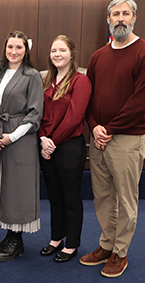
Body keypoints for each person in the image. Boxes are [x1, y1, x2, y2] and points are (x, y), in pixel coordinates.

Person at [79, 0, 145, 278]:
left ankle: (120, 252)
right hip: (99, 136)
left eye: (126, 13)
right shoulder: (98, 56)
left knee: (125, 199)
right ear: (108, 20)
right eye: (116, 14)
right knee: (102, 196)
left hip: (126, 138)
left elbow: (139, 102)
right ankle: (106, 244)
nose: (121, 18)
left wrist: (108, 129)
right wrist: (94, 127)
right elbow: (87, 97)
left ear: (134, 18)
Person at [0, 30, 44, 262]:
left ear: (26, 50)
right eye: (10, 47)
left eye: (19, 47)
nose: (14, 52)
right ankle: (10, 234)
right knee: (3, 185)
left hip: (21, 139)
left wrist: (13, 136)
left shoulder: (32, 76)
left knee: (19, 188)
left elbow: (35, 114)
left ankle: (17, 239)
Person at [38, 35, 91, 263]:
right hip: (46, 145)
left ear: (72, 54)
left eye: (62, 50)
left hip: (69, 146)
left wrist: (52, 142)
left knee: (70, 196)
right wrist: (42, 138)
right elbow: (37, 113)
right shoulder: (46, 81)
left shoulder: (81, 81)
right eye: (53, 50)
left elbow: (74, 118)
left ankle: (72, 244)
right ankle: (56, 237)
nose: (57, 54)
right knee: (54, 196)